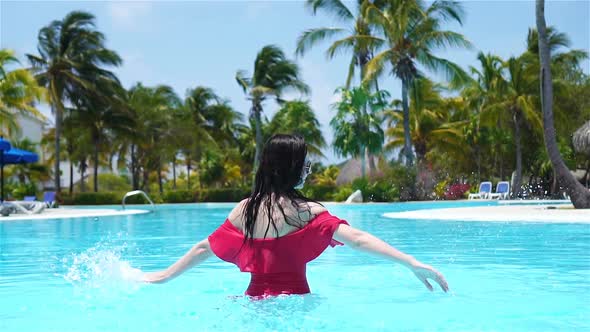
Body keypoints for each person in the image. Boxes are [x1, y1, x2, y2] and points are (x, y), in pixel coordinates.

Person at [143, 134, 449, 296]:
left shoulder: (244, 209)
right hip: (297, 304)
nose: (308, 170)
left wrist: (162, 276)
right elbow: (357, 239)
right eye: (305, 164)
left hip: (252, 305)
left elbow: (203, 248)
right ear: (292, 168)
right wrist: (412, 263)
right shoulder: (307, 212)